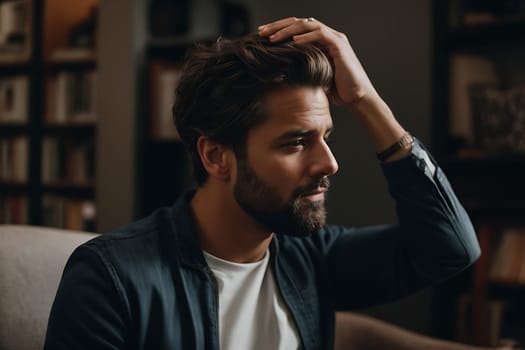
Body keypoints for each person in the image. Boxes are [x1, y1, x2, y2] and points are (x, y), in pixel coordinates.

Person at [45, 17, 481, 349]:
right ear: (216, 156)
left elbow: (451, 249)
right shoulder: (111, 280)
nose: (328, 164)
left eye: (325, 137)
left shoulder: (310, 260)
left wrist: (365, 100)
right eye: (295, 143)